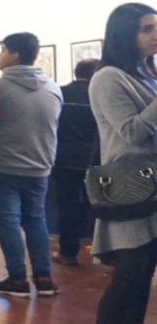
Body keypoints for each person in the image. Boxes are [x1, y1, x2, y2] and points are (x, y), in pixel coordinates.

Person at [85, 3, 157, 324]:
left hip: (153, 188)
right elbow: (131, 133)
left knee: (144, 273)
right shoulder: (108, 78)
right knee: (127, 275)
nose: (155, 35)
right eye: (146, 29)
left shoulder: (147, 73)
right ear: (124, 34)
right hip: (129, 187)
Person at [0, 32, 63, 298]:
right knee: (36, 220)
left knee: (8, 222)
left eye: (3, 50)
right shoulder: (52, 87)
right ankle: (44, 278)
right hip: (40, 166)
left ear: (15, 55)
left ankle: (17, 279)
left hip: (1, 166)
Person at [52, 58, 101, 266]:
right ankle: (103, 251)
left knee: (67, 206)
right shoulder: (100, 95)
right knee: (99, 206)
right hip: (95, 159)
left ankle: (68, 252)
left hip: (63, 158)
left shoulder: (60, 93)